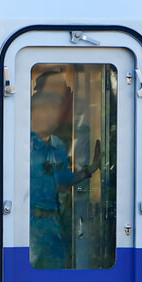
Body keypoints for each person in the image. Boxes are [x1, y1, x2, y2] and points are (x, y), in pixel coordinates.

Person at [29, 91, 100, 269]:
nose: (50, 116)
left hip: (53, 223)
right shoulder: (22, 143)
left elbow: (63, 181)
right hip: (29, 224)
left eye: (54, 111)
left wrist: (89, 170)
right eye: (44, 110)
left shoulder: (58, 145)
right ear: (31, 113)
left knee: (57, 268)